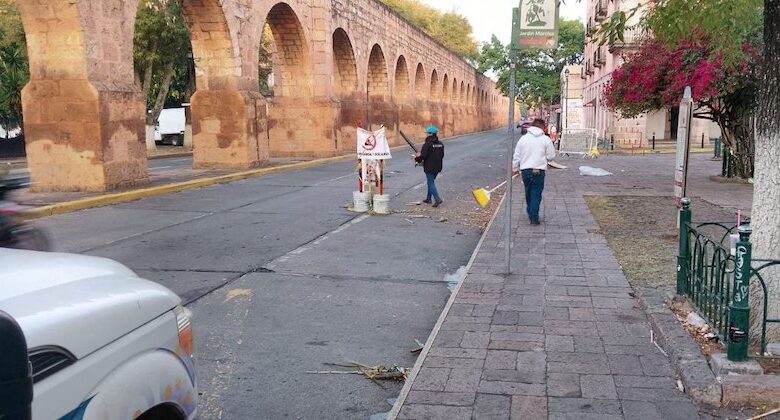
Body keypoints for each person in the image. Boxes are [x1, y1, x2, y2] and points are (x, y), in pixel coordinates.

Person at [512, 118, 556, 225]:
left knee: (528, 192)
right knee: (536, 193)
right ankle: (534, 217)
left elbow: (517, 156)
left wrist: (515, 169)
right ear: (542, 127)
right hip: (539, 171)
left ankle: (530, 212)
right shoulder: (546, 140)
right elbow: (551, 156)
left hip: (525, 170)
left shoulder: (523, 139)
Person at [414, 126, 444, 207]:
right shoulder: (440, 144)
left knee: (431, 183)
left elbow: (423, 156)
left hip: (429, 167)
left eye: (427, 133)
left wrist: (416, 158)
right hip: (438, 167)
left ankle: (437, 199)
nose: (426, 135)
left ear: (430, 134)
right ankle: (428, 198)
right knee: (431, 182)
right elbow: (442, 155)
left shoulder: (427, 144)